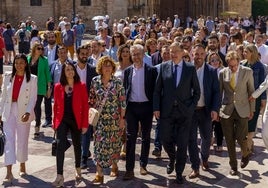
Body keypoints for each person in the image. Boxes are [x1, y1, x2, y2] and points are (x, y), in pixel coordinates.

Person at [153, 42, 200, 184]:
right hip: (167, 111)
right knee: (164, 139)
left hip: (184, 113)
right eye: (170, 51)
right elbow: (157, 90)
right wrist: (156, 108)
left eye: (175, 51)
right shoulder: (163, 67)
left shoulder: (190, 69)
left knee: (182, 143)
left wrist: (191, 107)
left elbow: (197, 91)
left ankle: (179, 172)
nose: (173, 54)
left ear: (182, 52)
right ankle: (172, 158)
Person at [0, 54, 37, 183]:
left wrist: (28, 112)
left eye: (21, 63)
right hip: (8, 110)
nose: (19, 65)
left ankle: (22, 164)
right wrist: (0, 113)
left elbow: (33, 98)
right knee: (9, 140)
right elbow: (3, 96)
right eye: (16, 63)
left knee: (22, 140)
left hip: (23, 111)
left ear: (25, 64)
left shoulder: (32, 79)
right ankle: (8, 171)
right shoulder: (8, 77)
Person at [89, 56, 126, 184]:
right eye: (105, 65)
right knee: (99, 146)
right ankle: (99, 173)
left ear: (113, 68)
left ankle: (114, 165)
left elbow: (122, 102)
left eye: (109, 65)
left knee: (114, 145)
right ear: (100, 67)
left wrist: (122, 119)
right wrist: (91, 115)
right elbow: (92, 100)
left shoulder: (117, 82)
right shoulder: (95, 81)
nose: (107, 68)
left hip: (114, 120)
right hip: (100, 121)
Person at [123, 44, 157, 180]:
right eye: (134, 54)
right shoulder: (128, 71)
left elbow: (155, 91)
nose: (136, 57)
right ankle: (129, 169)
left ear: (143, 55)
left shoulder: (151, 70)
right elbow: (126, 89)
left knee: (146, 136)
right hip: (131, 107)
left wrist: (155, 108)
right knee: (130, 137)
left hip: (146, 107)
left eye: (138, 54)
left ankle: (143, 164)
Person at [52, 62, 89, 187]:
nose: (70, 72)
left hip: (76, 120)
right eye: (67, 70)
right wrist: (54, 124)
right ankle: (59, 175)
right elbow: (56, 106)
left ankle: (78, 169)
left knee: (77, 145)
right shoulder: (58, 86)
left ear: (74, 71)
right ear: (63, 72)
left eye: (71, 69)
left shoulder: (81, 85)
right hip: (62, 119)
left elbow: (85, 106)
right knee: (60, 146)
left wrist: (85, 124)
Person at [219, 51, 255, 176]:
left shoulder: (247, 72)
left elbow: (251, 92)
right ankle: (233, 166)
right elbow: (219, 93)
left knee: (241, 137)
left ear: (239, 61)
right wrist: (218, 110)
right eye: (230, 66)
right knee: (229, 140)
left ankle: (245, 153)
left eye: (235, 65)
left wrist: (252, 110)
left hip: (243, 109)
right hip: (227, 110)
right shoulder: (222, 73)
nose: (233, 68)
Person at [187, 44, 220, 179]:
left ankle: (204, 158)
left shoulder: (212, 71)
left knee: (207, 138)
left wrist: (215, 109)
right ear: (192, 55)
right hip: (191, 111)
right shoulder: (187, 69)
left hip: (206, 110)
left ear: (205, 55)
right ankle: (195, 167)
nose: (199, 56)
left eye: (201, 54)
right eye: (196, 54)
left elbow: (217, 92)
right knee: (191, 139)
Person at [74, 45, 98, 169]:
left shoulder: (93, 70)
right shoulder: (70, 69)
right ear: (77, 55)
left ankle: (83, 158)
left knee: (87, 132)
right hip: (73, 105)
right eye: (82, 53)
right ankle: (81, 153)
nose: (84, 55)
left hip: (88, 106)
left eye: (85, 53)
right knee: (76, 133)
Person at [242, 44, 266, 153]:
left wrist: (263, 100)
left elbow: (263, 85)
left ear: (252, 52)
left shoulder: (260, 67)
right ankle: (249, 143)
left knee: (251, 123)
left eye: (246, 52)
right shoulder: (243, 64)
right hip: (243, 99)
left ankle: (247, 147)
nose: (244, 53)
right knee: (244, 124)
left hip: (254, 100)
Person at [27, 43, 52, 138]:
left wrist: (49, 88)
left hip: (40, 86)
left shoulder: (44, 60)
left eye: (42, 49)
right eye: (39, 48)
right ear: (34, 49)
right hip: (29, 86)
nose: (41, 50)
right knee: (30, 105)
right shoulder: (28, 58)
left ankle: (37, 125)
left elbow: (47, 74)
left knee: (37, 106)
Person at [114, 44, 133, 158]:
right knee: (117, 123)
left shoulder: (132, 66)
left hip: (128, 98)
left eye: (127, 51)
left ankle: (124, 147)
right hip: (115, 99)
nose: (125, 54)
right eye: (123, 51)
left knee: (126, 124)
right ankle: (116, 144)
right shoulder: (116, 66)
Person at [207, 52, 224, 151]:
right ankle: (209, 139)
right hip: (209, 101)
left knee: (219, 123)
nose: (215, 62)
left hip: (221, 101)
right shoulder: (207, 71)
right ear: (209, 62)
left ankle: (219, 142)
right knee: (209, 123)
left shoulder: (223, 71)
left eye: (217, 60)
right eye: (212, 60)